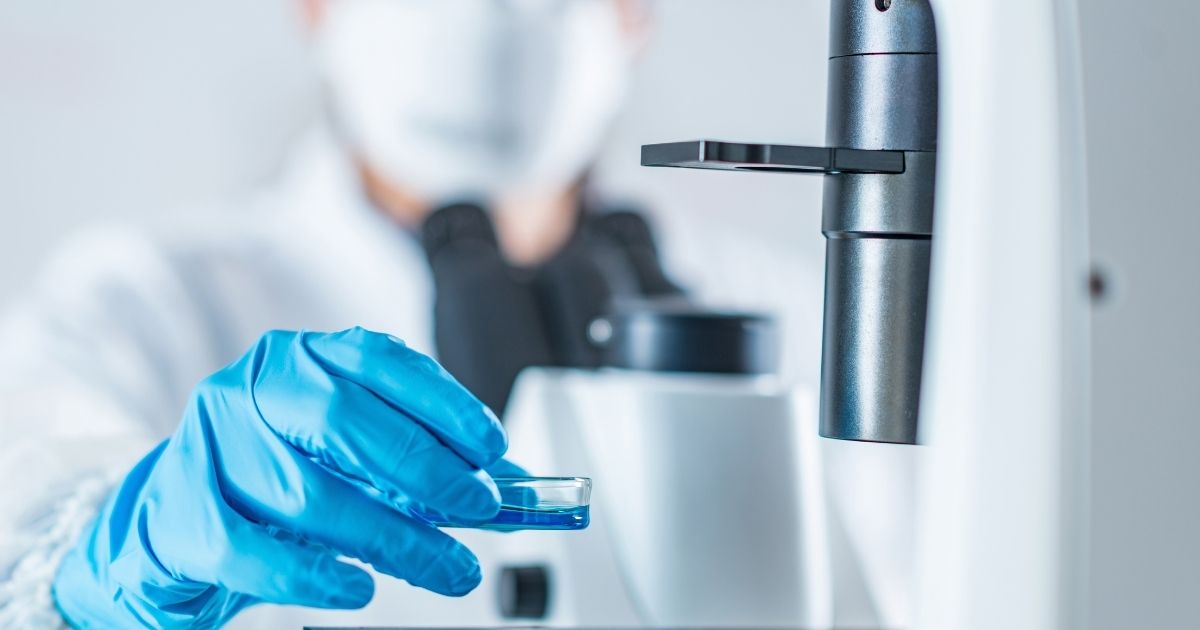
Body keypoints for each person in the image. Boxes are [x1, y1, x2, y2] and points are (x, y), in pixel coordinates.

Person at [0, 0, 824, 627]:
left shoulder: (812, 322)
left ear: (635, 13)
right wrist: (106, 558)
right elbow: (22, 511)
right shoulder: (140, 302)